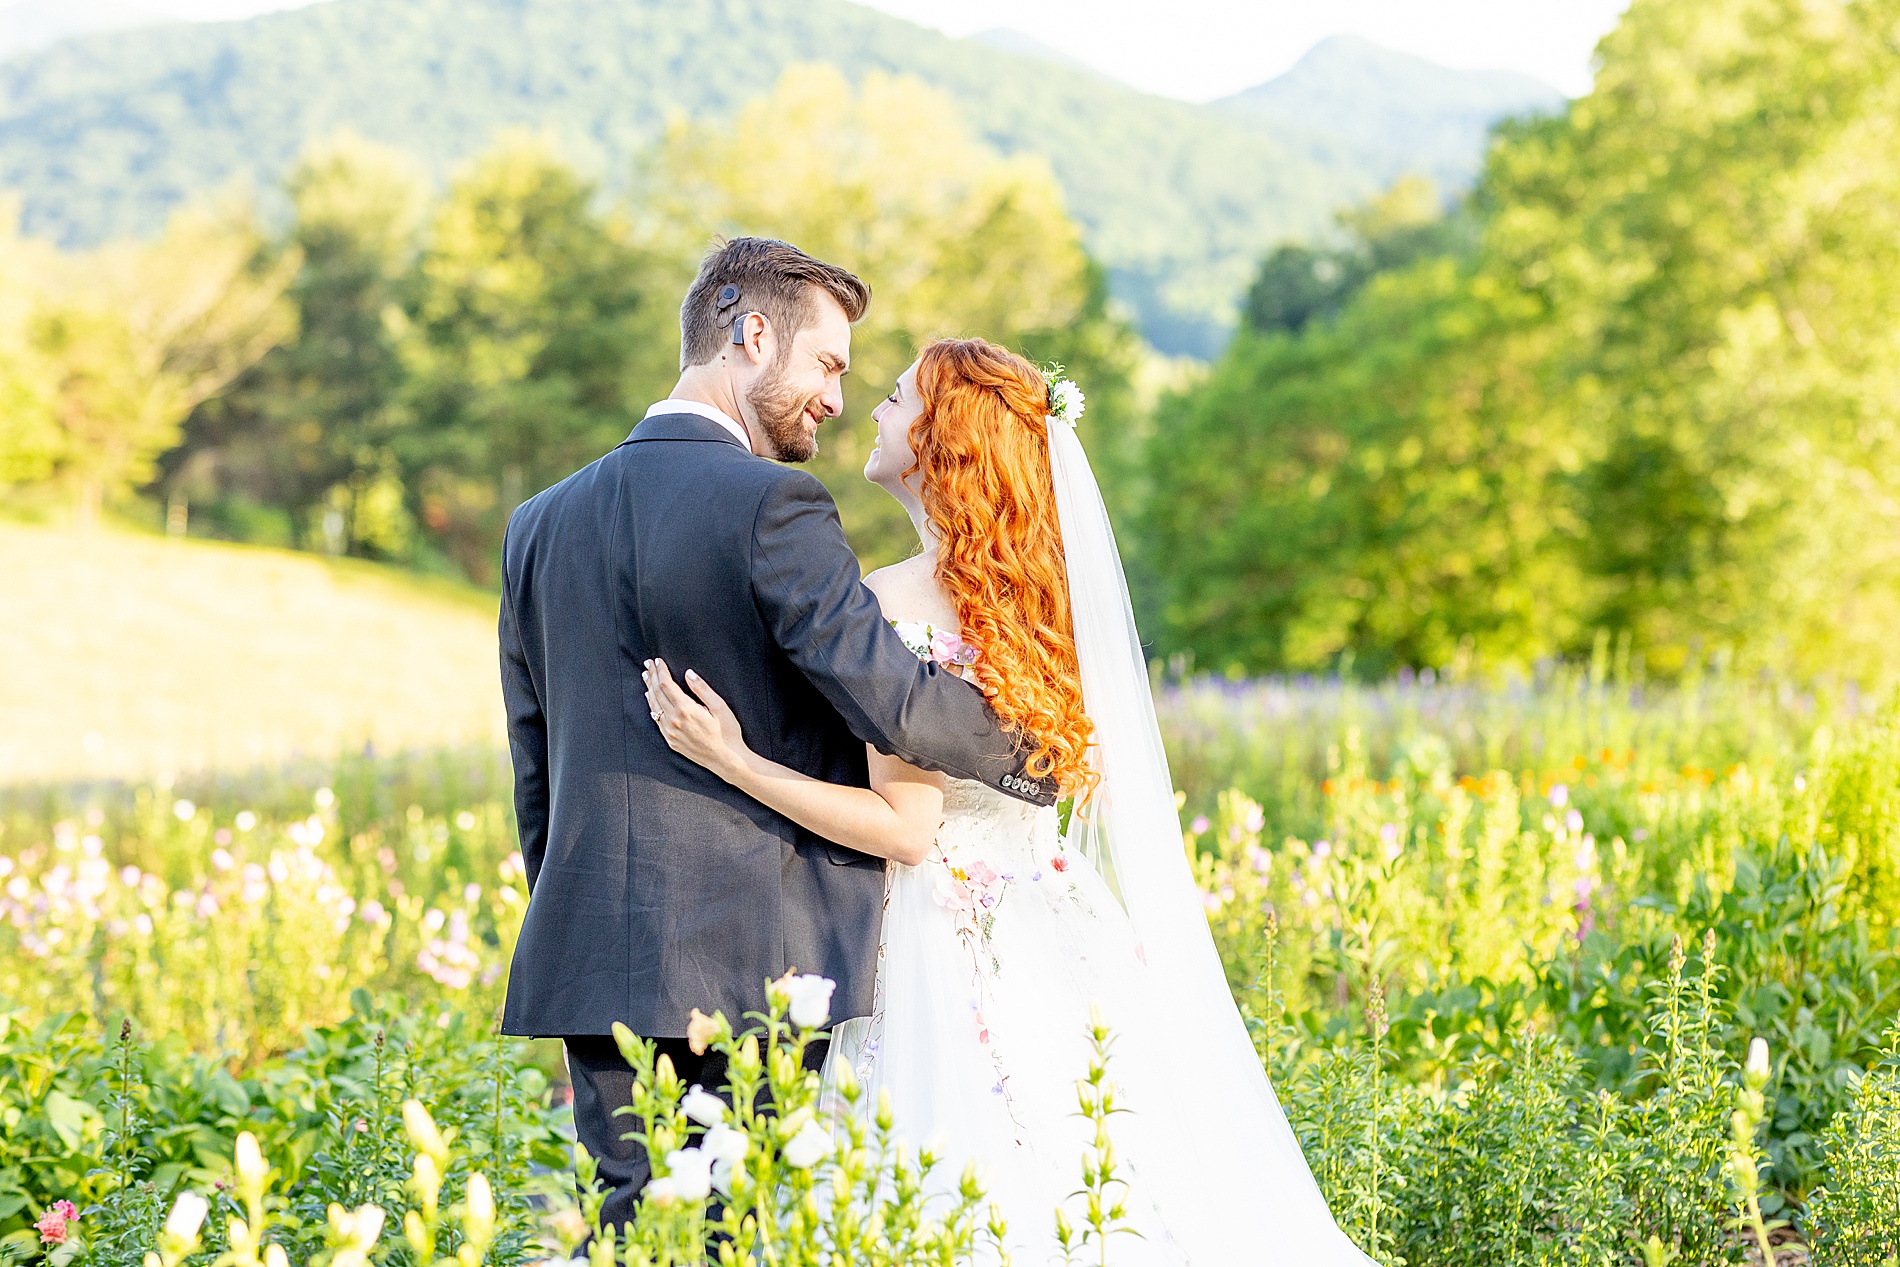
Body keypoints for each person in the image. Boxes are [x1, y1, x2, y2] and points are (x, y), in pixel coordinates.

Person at [643, 338, 1376, 1263]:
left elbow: (906, 832)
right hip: (1054, 927)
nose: (873, 409)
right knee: (1101, 1168)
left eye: (900, 398)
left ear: (943, 439)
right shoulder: (1047, 607)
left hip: (934, 942)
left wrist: (735, 760)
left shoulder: (888, 607)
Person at [496, 241, 1057, 1234]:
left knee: (638, 1238)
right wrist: (1039, 745)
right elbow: (892, 703)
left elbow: (537, 773)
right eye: (830, 365)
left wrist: (582, 914)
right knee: (743, 1232)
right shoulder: (775, 505)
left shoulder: (538, 522)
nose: (836, 398)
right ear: (754, 336)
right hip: (755, 960)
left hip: (591, 954)